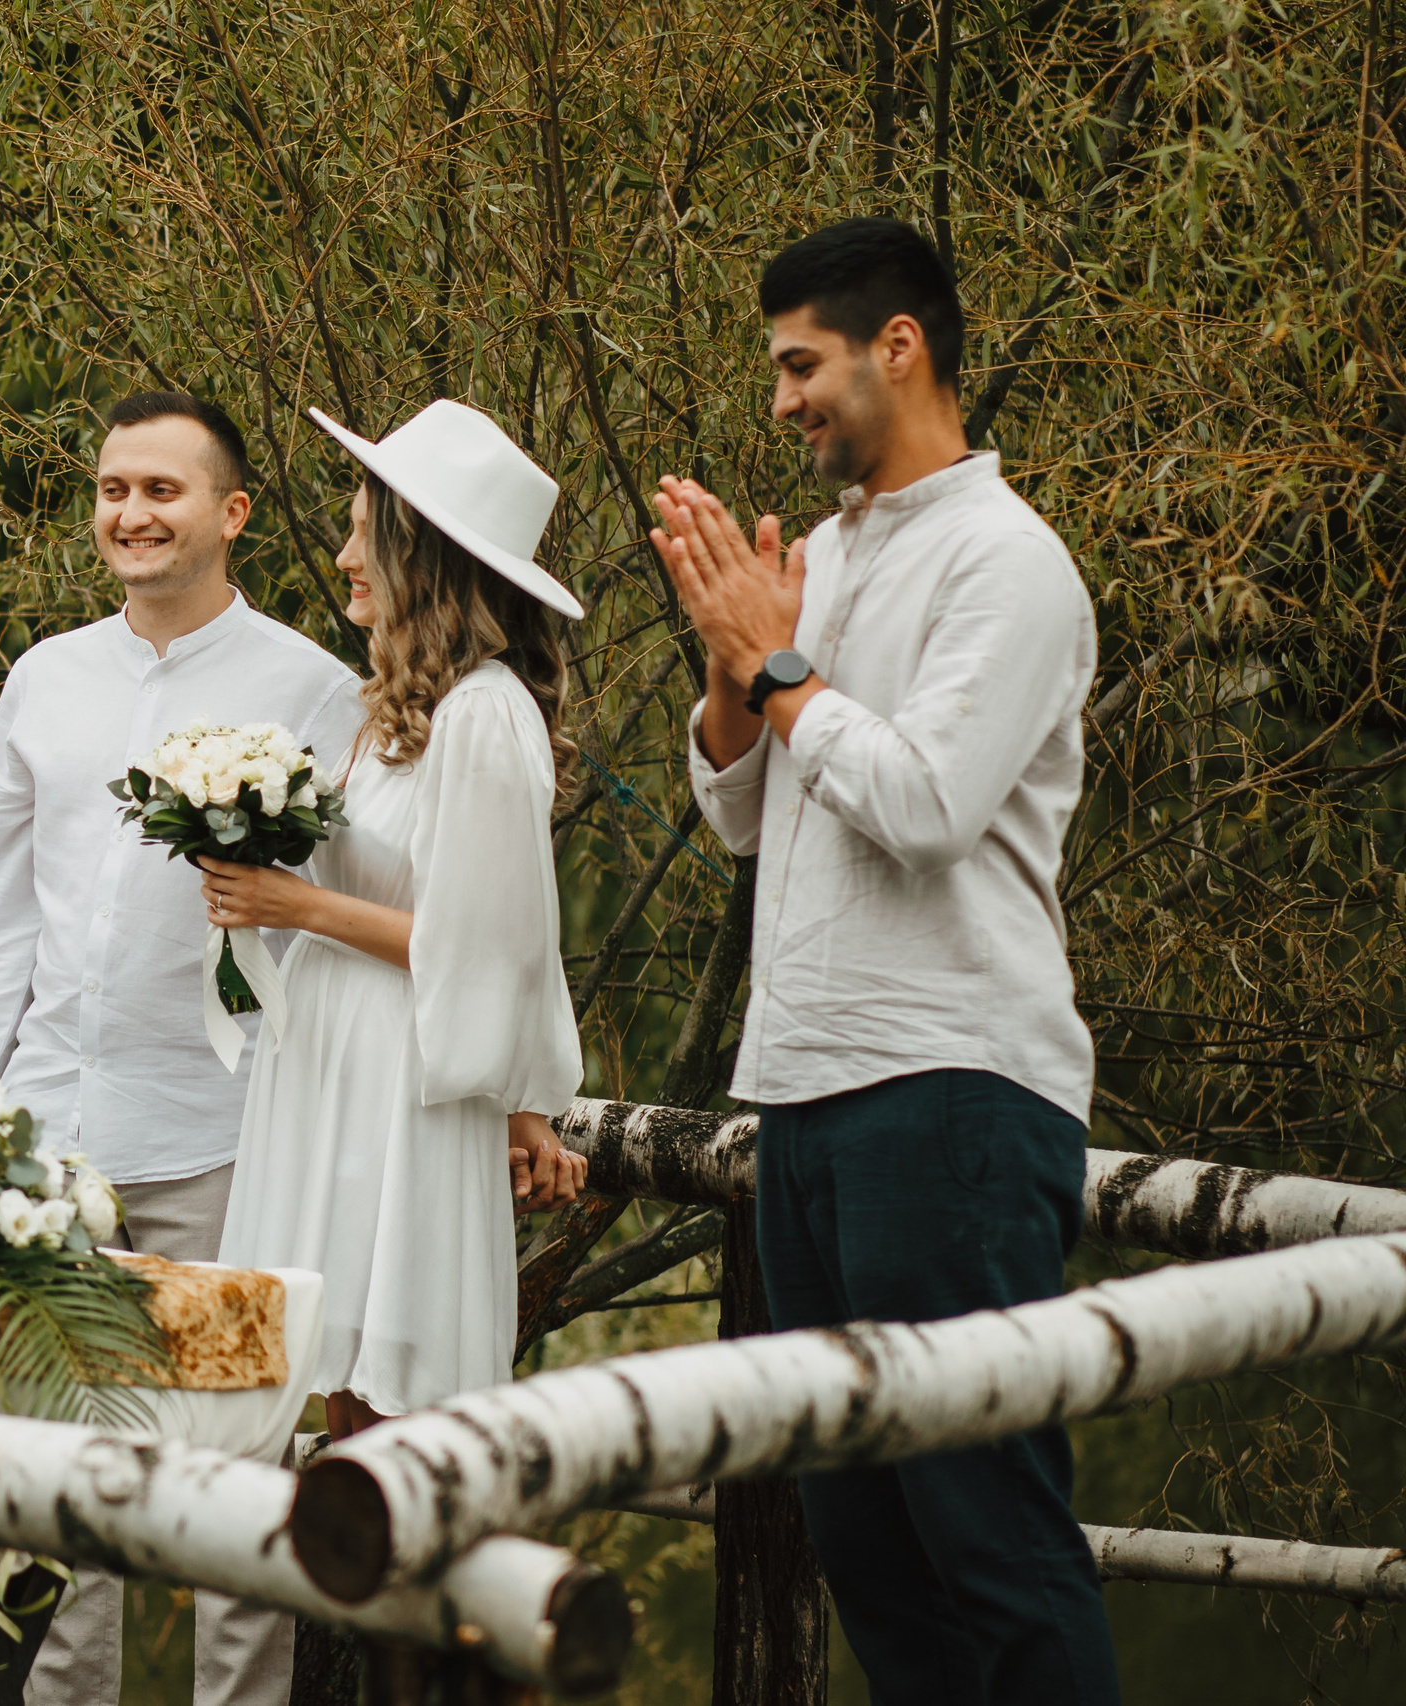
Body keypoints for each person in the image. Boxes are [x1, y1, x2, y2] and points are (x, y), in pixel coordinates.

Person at [656, 217, 1120, 1705]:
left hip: (958, 1091)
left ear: (897, 346)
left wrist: (783, 669)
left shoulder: (1013, 562)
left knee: (986, 1527)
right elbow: (743, 814)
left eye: (801, 365)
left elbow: (921, 806)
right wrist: (737, 678)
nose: (782, 401)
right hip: (800, 1091)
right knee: (863, 1540)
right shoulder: (828, 557)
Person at [0, 392, 358, 1706]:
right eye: (114, 488)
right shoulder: (43, 677)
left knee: (239, 1483)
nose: (130, 512)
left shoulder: (314, 688)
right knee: (73, 1496)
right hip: (54, 1150)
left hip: (233, 1144)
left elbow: (342, 924)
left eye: (161, 490)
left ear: (232, 513)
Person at [201, 399, 592, 1438]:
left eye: (360, 533)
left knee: (390, 1409)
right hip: (332, 1057)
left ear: (418, 556)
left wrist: (293, 904)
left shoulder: (485, 715)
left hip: (403, 1083)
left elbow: (484, 946)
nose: (341, 557)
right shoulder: (389, 711)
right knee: (331, 1387)